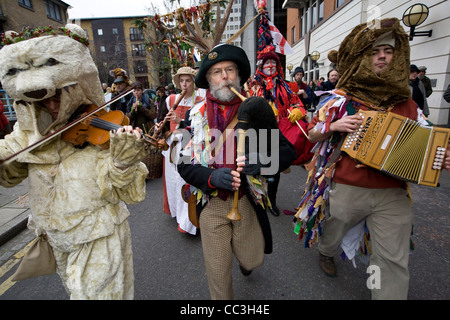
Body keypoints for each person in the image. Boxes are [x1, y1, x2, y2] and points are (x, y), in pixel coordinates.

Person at [295, 18, 450, 299]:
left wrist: (441, 156)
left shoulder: (407, 104)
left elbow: (428, 142)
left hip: (393, 193)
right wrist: (331, 127)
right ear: (365, 57)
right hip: (348, 186)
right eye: (375, 51)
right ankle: (326, 252)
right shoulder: (341, 98)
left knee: (391, 260)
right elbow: (310, 133)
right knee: (335, 226)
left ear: (397, 57)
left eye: (388, 52)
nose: (382, 56)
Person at [0, 24, 148, 299]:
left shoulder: (100, 129)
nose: (53, 107)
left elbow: (125, 191)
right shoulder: (27, 131)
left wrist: (123, 163)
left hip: (97, 236)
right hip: (56, 239)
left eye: (59, 95)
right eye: (45, 101)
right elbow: (8, 173)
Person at [177, 44, 296, 299]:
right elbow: (180, 160)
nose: (225, 77)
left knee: (252, 261)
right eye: (217, 72)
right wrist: (210, 177)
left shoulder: (258, 110)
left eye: (230, 70)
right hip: (211, 204)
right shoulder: (190, 116)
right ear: (208, 80)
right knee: (218, 274)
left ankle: (246, 262)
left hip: (246, 200)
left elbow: (288, 152)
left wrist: (262, 163)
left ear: (239, 76)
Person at [252, 46, 313, 216]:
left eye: (273, 62)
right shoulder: (254, 87)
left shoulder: (286, 87)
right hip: (259, 134)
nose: (270, 66)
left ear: (278, 66)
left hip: (281, 132)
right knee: (258, 167)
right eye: (267, 63)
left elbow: (298, 104)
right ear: (261, 66)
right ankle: (258, 198)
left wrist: (297, 111)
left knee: (274, 169)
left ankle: (271, 199)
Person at [160, 67, 204, 234]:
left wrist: (181, 121)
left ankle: (188, 221)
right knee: (173, 182)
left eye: (188, 81)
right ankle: (177, 213)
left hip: (190, 144)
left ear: (194, 83)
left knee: (186, 181)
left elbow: (202, 126)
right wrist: (161, 127)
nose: (184, 84)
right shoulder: (170, 99)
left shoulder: (200, 100)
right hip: (173, 144)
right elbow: (161, 119)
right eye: (182, 81)